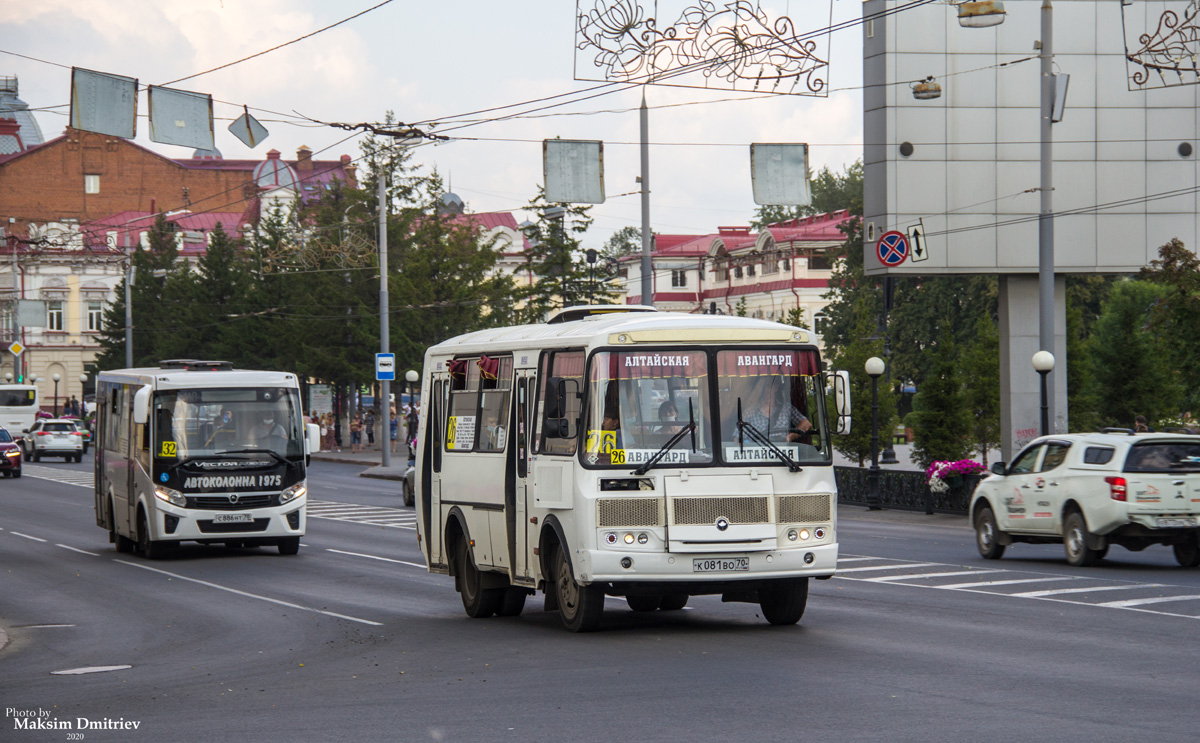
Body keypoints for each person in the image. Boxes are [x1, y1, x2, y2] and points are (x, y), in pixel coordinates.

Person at [737, 376, 811, 443]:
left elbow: (806, 424)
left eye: (769, 386)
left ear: (776, 387)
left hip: (784, 455)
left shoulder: (786, 408)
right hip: (758, 454)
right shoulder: (749, 412)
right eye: (763, 387)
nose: (765, 389)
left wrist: (790, 437)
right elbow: (737, 438)